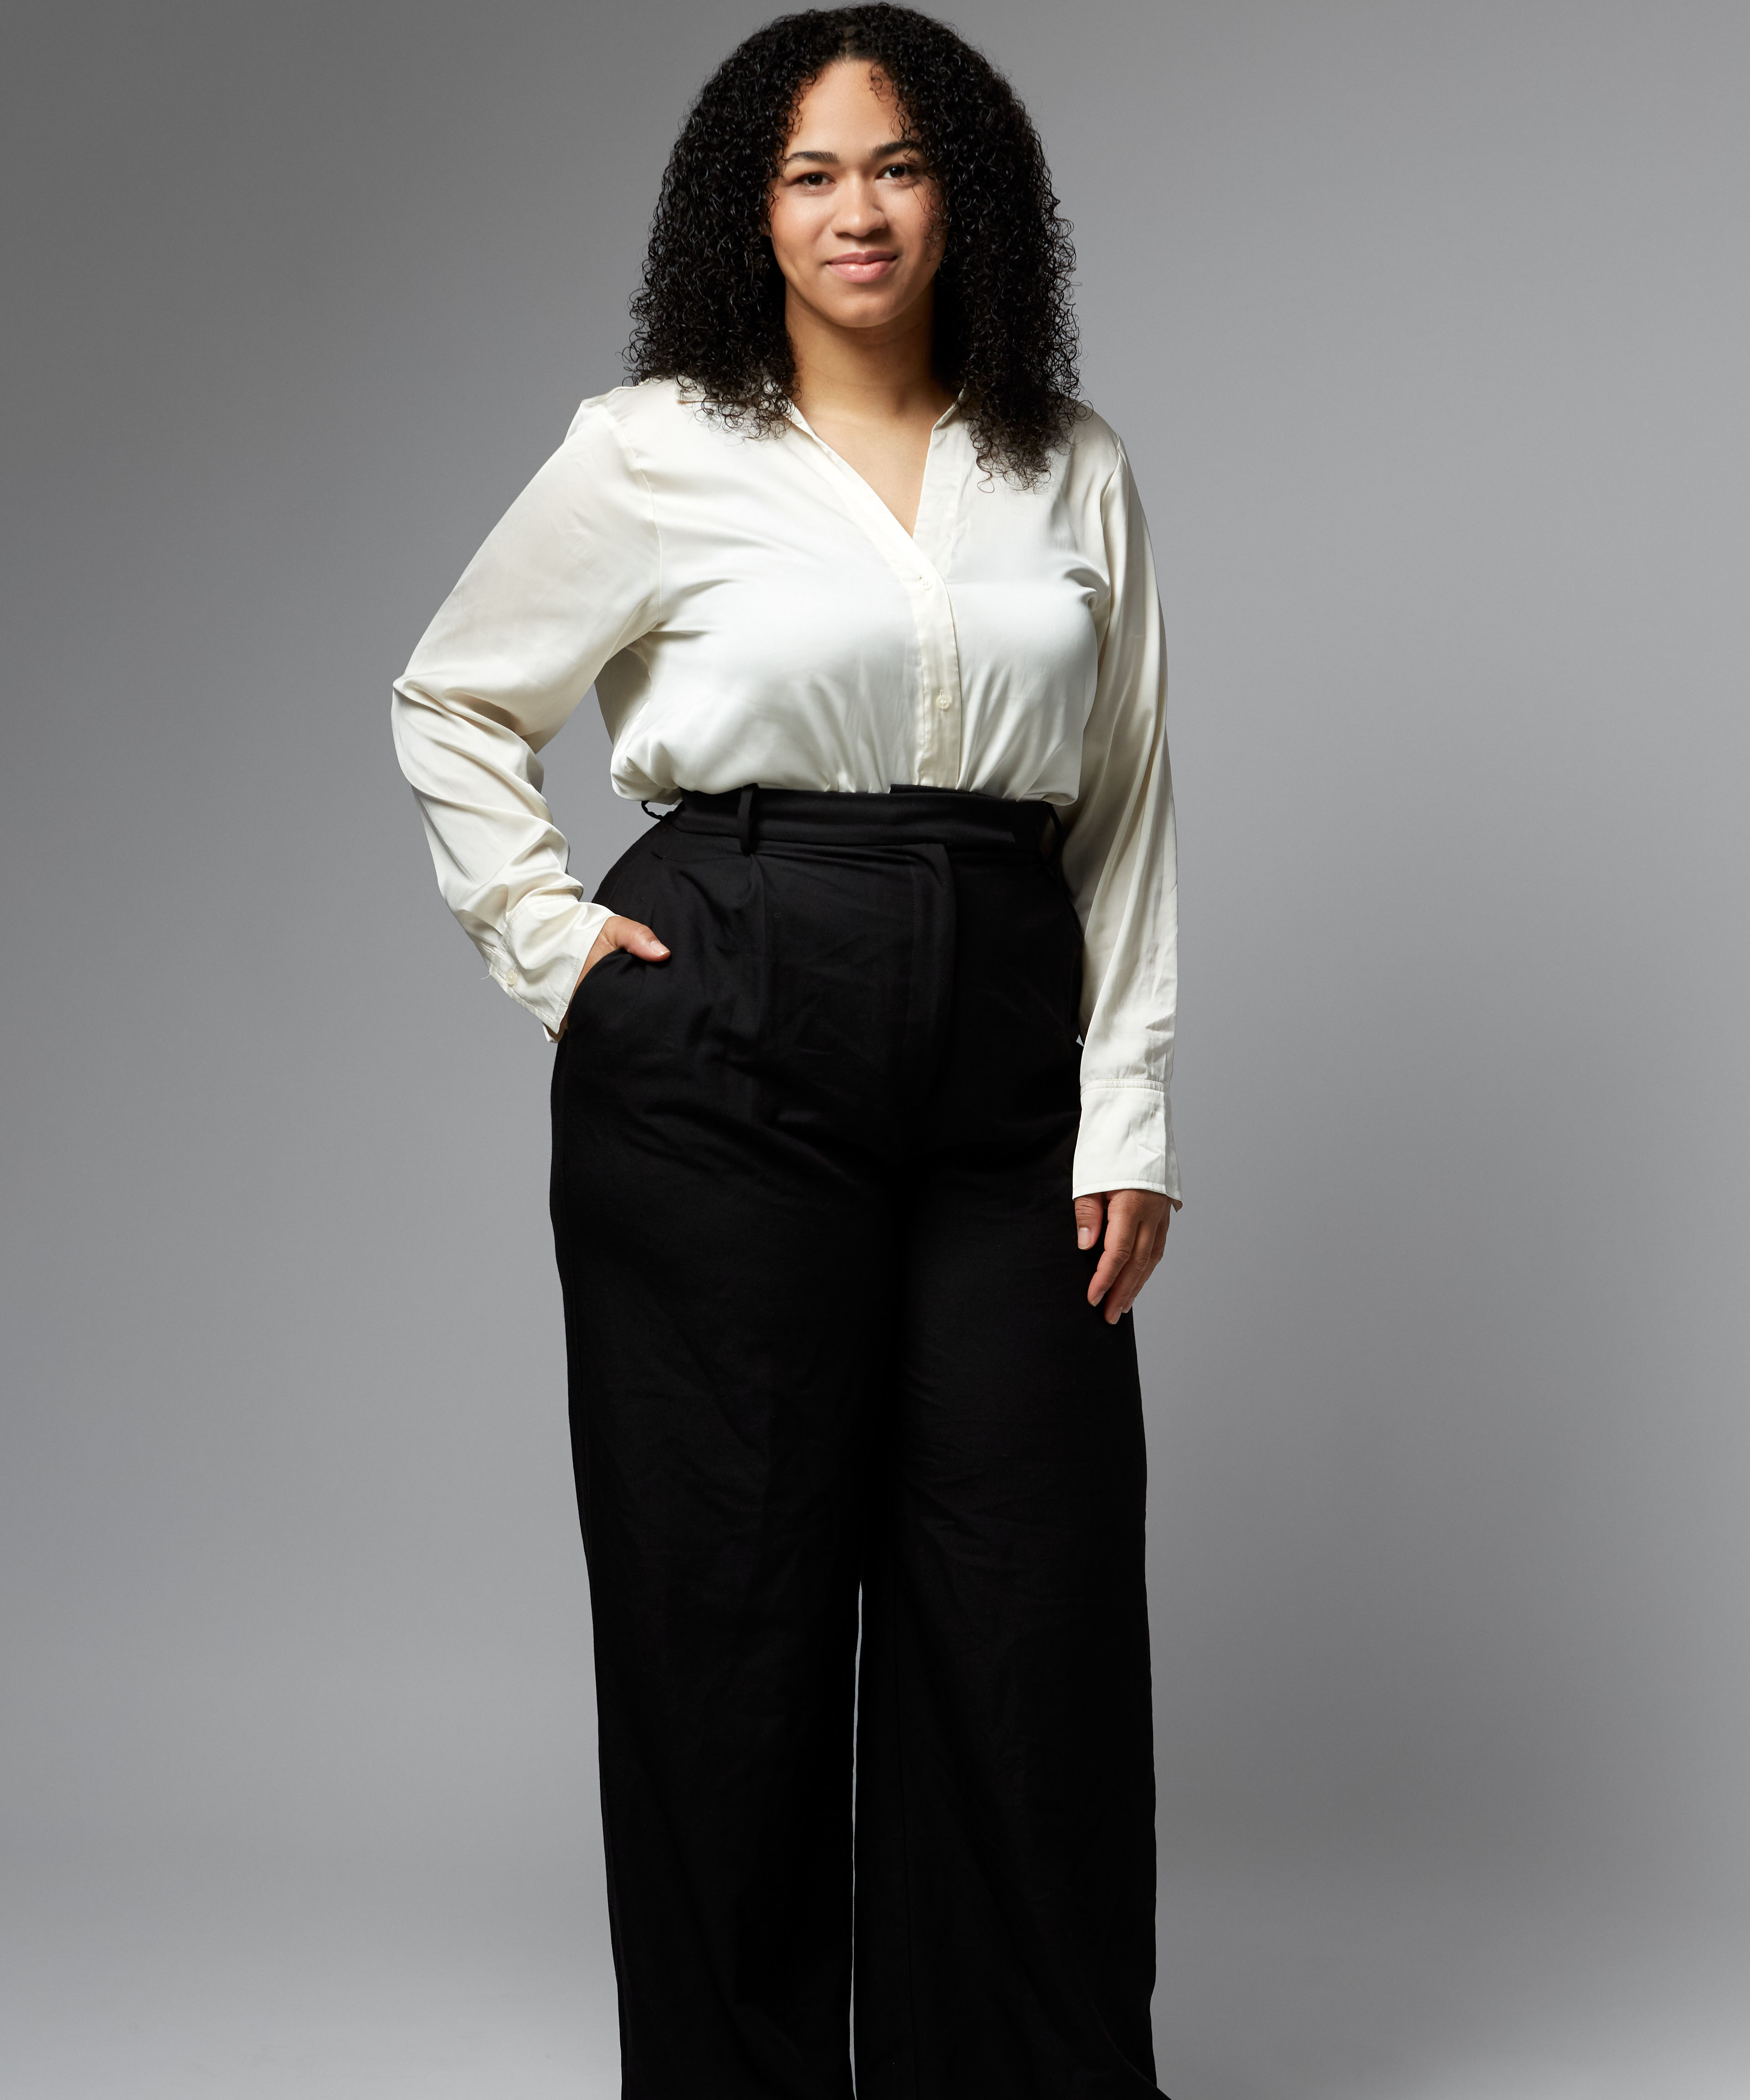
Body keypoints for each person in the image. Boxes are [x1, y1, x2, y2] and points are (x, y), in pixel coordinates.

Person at [391, 6, 1180, 2093]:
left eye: (899, 165)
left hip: (1005, 1054)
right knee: (724, 1606)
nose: (859, 210)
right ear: (749, 209)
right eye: (812, 171)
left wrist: (1129, 1110)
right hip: (727, 1035)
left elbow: (1125, 811)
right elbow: (455, 700)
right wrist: (559, 950)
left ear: (963, 195)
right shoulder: (652, 445)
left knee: (1029, 1612)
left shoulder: (1069, 462)